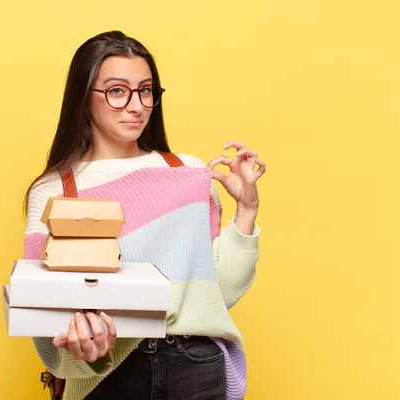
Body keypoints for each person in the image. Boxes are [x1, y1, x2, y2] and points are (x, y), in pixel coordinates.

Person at [22, 30, 266, 400]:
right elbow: (41, 307)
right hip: (109, 374)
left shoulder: (188, 173)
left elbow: (219, 292)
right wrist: (81, 347)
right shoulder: (55, 191)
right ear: (82, 97)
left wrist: (246, 209)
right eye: (117, 91)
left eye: (146, 90)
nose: (136, 105)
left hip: (194, 367)